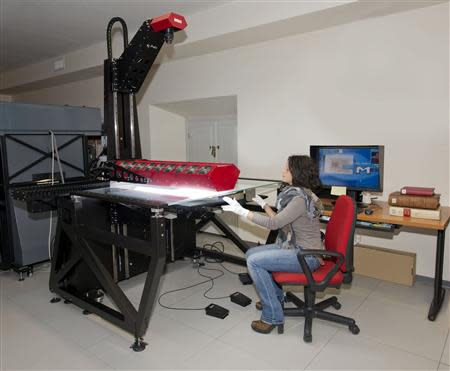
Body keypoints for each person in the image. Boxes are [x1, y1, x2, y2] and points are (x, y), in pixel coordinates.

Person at [221, 155, 323, 334]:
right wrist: (263, 205)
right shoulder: (301, 193)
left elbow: (274, 225)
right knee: (250, 254)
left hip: (306, 256)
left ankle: (272, 316)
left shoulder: (299, 199)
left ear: (296, 173)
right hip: (297, 248)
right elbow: (282, 221)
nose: (283, 171)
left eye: (287, 169)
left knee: (254, 262)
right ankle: (275, 298)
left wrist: (242, 211)